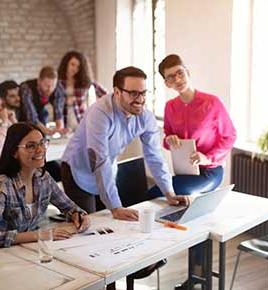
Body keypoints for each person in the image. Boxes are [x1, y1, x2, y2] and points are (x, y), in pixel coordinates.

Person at [60, 66, 188, 220]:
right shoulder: (100, 113)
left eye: (143, 93)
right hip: (78, 172)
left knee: (110, 225)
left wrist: (169, 192)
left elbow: (155, 156)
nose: (140, 99)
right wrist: (115, 207)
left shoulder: (145, 116)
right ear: (117, 92)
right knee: (88, 226)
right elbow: (100, 160)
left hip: (107, 171)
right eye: (133, 93)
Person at [156, 54, 237, 290]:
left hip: (209, 173)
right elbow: (166, 140)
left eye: (179, 72)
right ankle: (192, 276)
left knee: (163, 193)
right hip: (184, 173)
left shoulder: (212, 102)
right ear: (166, 83)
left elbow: (229, 136)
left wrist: (207, 156)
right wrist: (169, 139)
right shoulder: (170, 107)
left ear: (187, 72)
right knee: (176, 206)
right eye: (170, 77)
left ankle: (193, 276)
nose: (177, 79)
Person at [0, 122, 90, 248]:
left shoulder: (43, 178)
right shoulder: (3, 185)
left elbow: (70, 207)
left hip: (31, 249)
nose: (40, 150)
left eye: (42, 143)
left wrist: (79, 216)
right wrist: (40, 235)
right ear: (14, 152)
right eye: (31, 146)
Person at [57, 51, 107, 131]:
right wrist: (65, 101)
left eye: (78, 67)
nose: (75, 69)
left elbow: (104, 94)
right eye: (72, 64)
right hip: (64, 123)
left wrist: (97, 108)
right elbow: (53, 100)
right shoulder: (58, 82)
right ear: (66, 63)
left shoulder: (83, 81)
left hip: (82, 121)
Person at [19, 66, 67, 136]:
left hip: (41, 111)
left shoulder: (58, 87)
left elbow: (58, 112)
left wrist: (59, 129)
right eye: (46, 85)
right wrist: (47, 131)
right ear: (39, 81)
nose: (50, 89)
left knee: (42, 131)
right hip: (22, 113)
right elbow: (31, 116)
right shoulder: (27, 88)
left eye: (53, 85)